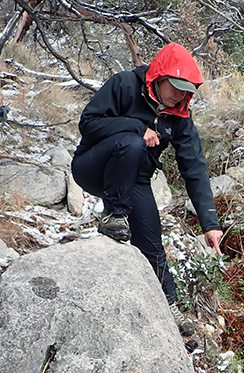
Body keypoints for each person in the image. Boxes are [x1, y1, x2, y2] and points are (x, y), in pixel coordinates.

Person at [71, 42, 223, 337]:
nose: (179, 95)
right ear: (159, 76)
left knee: (152, 242)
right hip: (92, 167)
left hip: (134, 179)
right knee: (133, 142)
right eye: (175, 86)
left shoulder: (179, 117)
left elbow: (194, 168)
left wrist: (210, 224)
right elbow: (88, 123)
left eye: (185, 90)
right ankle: (114, 216)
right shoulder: (125, 84)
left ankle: (169, 306)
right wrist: (134, 127)